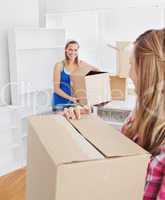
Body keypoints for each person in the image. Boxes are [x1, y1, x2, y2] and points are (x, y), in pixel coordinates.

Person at [62, 29, 165, 199]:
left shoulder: (161, 157)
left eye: (132, 65)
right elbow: (119, 151)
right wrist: (87, 121)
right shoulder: (138, 117)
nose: (129, 73)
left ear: (149, 73)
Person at [52, 40, 98, 112]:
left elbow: (96, 70)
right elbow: (56, 89)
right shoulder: (59, 65)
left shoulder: (80, 64)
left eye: (75, 50)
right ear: (66, 50)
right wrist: (70, 98)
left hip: (75, 103)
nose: (73, 52)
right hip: (60, 103)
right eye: (70, 49)